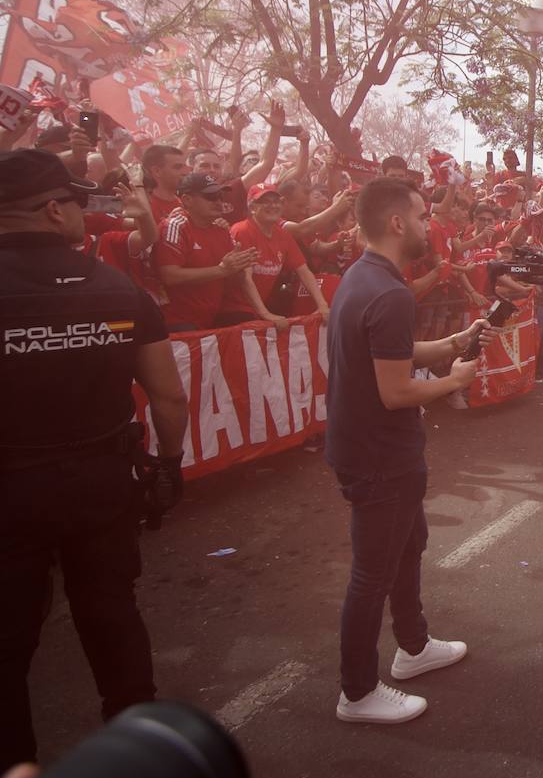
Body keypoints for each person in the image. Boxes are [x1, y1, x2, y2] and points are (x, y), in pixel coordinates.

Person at [0, 149, 188, 767]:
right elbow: (166, 394)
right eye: (79, 203)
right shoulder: (118, 289)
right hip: (101, 482)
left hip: (11, 492)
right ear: (54, 210)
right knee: (113, 621)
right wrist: (167, 464)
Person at [325, 176, 493, 725]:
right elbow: (395, 390)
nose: (429, 225)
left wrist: (450, 345)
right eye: (422, 216)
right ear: (398, 222)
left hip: (374, 449)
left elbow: (390, 351)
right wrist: (455, 379)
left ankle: (414, 647)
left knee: (408, 546)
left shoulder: (364, 277)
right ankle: (357, 691)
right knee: (372, 574)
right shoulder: (391, 291)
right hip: (379, 455)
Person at [153, 172, 256, 331]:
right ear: (187, 200)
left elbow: (232, 277)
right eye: (210, 197)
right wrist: (222, 270)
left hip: (210, 319)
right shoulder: (175, 226)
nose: (219, 202)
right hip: (174, 322)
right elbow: (169, 276)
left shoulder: (222, 230)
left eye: (220, 196)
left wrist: (240, 267)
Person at [223, 184, 331, 327]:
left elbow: (304, 272)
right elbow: (245, 279)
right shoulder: (241, 231)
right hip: (232, 311)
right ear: (252, 208)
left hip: (257, 310)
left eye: (276, 201)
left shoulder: (283, 235)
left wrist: (323, 306)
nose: (273, 206)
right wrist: (266, 314)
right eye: (265, 202)